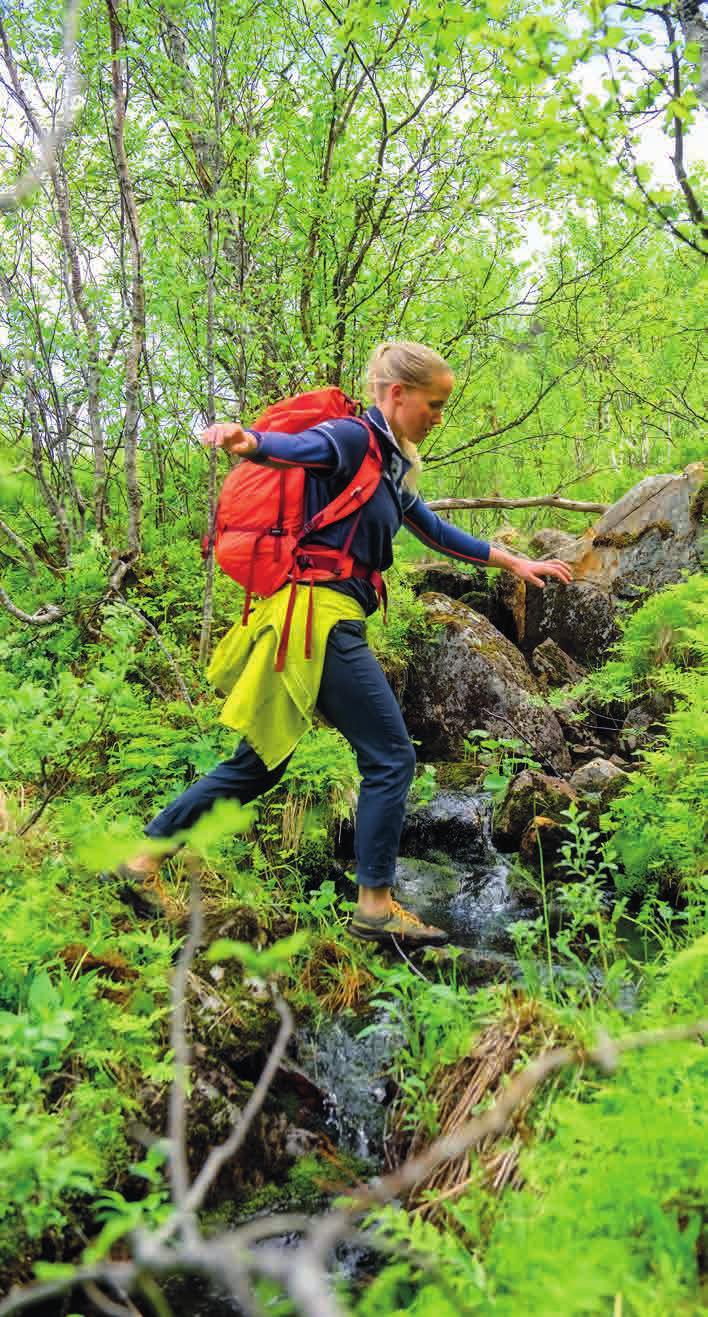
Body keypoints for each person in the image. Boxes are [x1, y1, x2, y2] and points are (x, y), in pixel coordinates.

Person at [117, 342, 572, 947]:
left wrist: (512, 560)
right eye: (434, 404)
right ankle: (375, 906)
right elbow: (303, 450)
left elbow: (431, 527)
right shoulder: (354, 439)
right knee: (391, 757)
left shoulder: (387, 463)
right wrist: (250, 442)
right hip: (319, 622)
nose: (439, 416)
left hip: (311, 621)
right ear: (398, 394)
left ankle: (140, 861)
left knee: (257, 766)